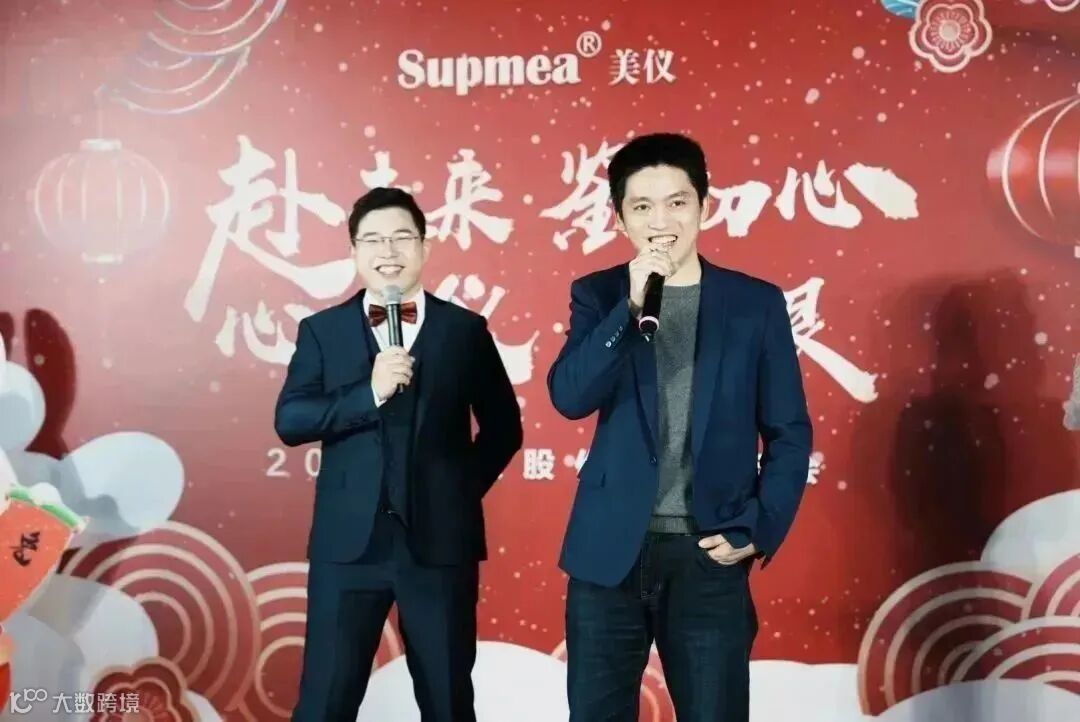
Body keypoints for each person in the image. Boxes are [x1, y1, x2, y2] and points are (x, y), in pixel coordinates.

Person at [547, 132, 813, 721]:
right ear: (620, 218)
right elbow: (569, 397)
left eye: (677, 202)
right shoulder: (598, 294)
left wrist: (759, 526)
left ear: (704, 207)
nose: (661, 221)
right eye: (642, 206)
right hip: (608, 553)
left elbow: (789, 431)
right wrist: (627, 307)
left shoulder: (754, 304)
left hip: (707, 554)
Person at [274, 186, 523, 722]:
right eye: (373, 240)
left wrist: (456, 492)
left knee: (447, 701)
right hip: (348, 549)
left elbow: (504, 428)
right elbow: (291, 420)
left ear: (425, 246)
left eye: (401, 237)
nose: (388, 251)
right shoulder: (323, 331)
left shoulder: (464, 331)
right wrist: (368, 394)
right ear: (354, 251)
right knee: (323, 703)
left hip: (438, 548)